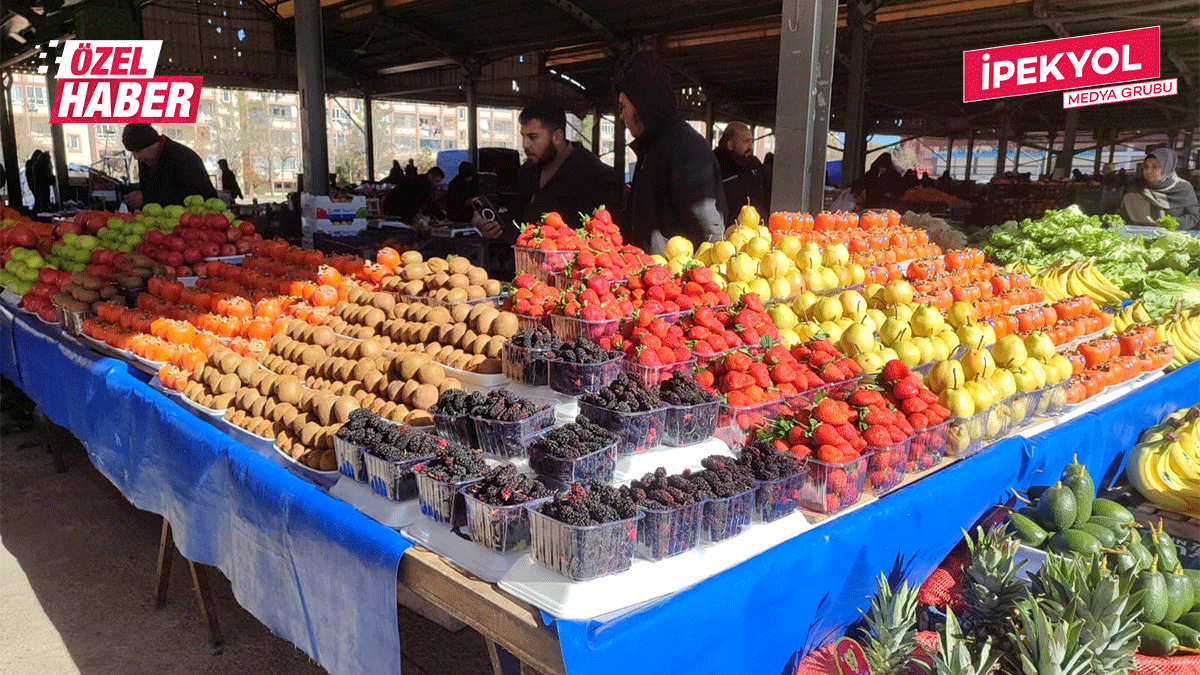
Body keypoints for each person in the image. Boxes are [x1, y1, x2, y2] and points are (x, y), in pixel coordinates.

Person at [616, 51, 726, 254]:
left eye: (623, 107)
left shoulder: (685, 149)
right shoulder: (653, 146)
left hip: (673, 272)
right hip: (649, 270)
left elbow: (709, 233)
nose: (621, 116)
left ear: (642, 106)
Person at [473, 99, 623, 239]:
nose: (525, 144)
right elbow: (517, 220)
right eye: (523, 136)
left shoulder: (595, 174)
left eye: (533, 137)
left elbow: (609, 235)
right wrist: (494, 227)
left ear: (557, 137)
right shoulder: (527, 171)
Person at [121, 123, 216, 209]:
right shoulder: (146, 160)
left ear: (153, 144)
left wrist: (147, 199)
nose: (136, 157)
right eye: (133, 152)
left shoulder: (184, 158)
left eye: (138, 151)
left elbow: (193, 196)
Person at [1122, 148, 1199, 230]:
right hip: (1137, 235)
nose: (1148, 171)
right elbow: (1123, 215)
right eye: (1146, 167)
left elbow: (1193, 217)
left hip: (1172, 236)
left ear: (1167, 167)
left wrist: (1169, 224)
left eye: (1154, 167)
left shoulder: (1183, 187)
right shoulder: (1136, 188)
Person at [713, 121, 765, 217]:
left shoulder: (754, 164)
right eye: (746, 142)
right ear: (730, 144)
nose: (751, 146)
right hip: (727, 224)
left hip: (755, 223)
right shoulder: (715, 164)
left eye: (751, 141)